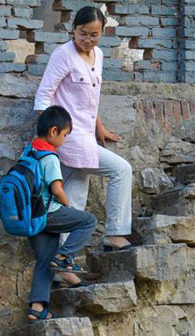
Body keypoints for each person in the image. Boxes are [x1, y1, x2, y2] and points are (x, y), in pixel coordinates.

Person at [34, 6, 134, 254]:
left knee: (74, 198)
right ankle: (115, 233)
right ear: (74, 30)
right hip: (68, 138)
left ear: (102, 33)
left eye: (94, 35)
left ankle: (64, 258)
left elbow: (90, 98)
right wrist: (48, 141)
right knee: (121, 170)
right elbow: (44, 96)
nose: (88, 40)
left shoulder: (98, 55)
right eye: (83, 33)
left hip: (86, 138)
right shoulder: (63, 55)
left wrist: (100, 128)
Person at [27, 106, 97, 321]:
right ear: (53, 131)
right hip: (48, 213)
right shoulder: (49, 157)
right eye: (65, 135)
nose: (65, 140)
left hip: (30, 215)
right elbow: (57, 189)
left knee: (44, 261)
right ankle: (65, 257)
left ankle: (37, 308)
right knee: (88, 221)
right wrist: (68, 207)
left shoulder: (29, 150)